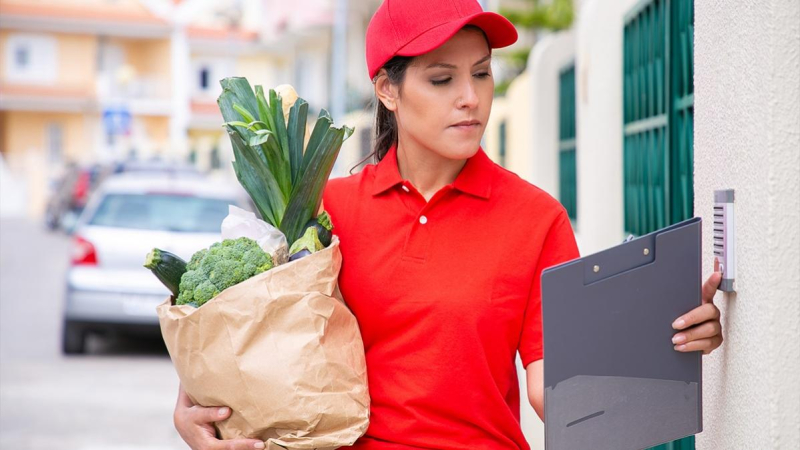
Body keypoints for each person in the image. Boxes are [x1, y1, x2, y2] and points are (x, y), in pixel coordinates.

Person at [172, 1, 724, 449]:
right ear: (388, 90)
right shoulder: (325, 215)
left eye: (482, 74)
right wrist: (193, 406)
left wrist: (660, 347)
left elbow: (555, 389)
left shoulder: (536, 219)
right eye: (442, 79)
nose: (471, 98)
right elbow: (253, 342)